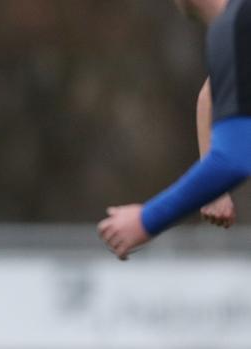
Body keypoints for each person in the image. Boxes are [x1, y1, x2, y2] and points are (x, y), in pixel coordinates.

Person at [99, 0, 251, 258]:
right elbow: (212, 94)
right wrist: (215, 191)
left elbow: (233, 160)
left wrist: (145, 220)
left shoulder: (237, 24)